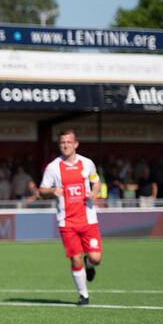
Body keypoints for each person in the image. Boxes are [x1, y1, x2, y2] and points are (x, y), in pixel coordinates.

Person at [38, 130, 103, 306]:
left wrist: (94, 192)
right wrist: (52, 191)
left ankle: (89, 267)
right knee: (75, 258)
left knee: (96, 258)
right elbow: (42, 190)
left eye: (68, 142)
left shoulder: (87, 163)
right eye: (62, 142)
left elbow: (96, 181)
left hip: (88, 219)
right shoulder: (53, 167)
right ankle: (83, 295)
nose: (65, 145)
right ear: (59, 145)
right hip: (66, 221)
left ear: (76, 144)